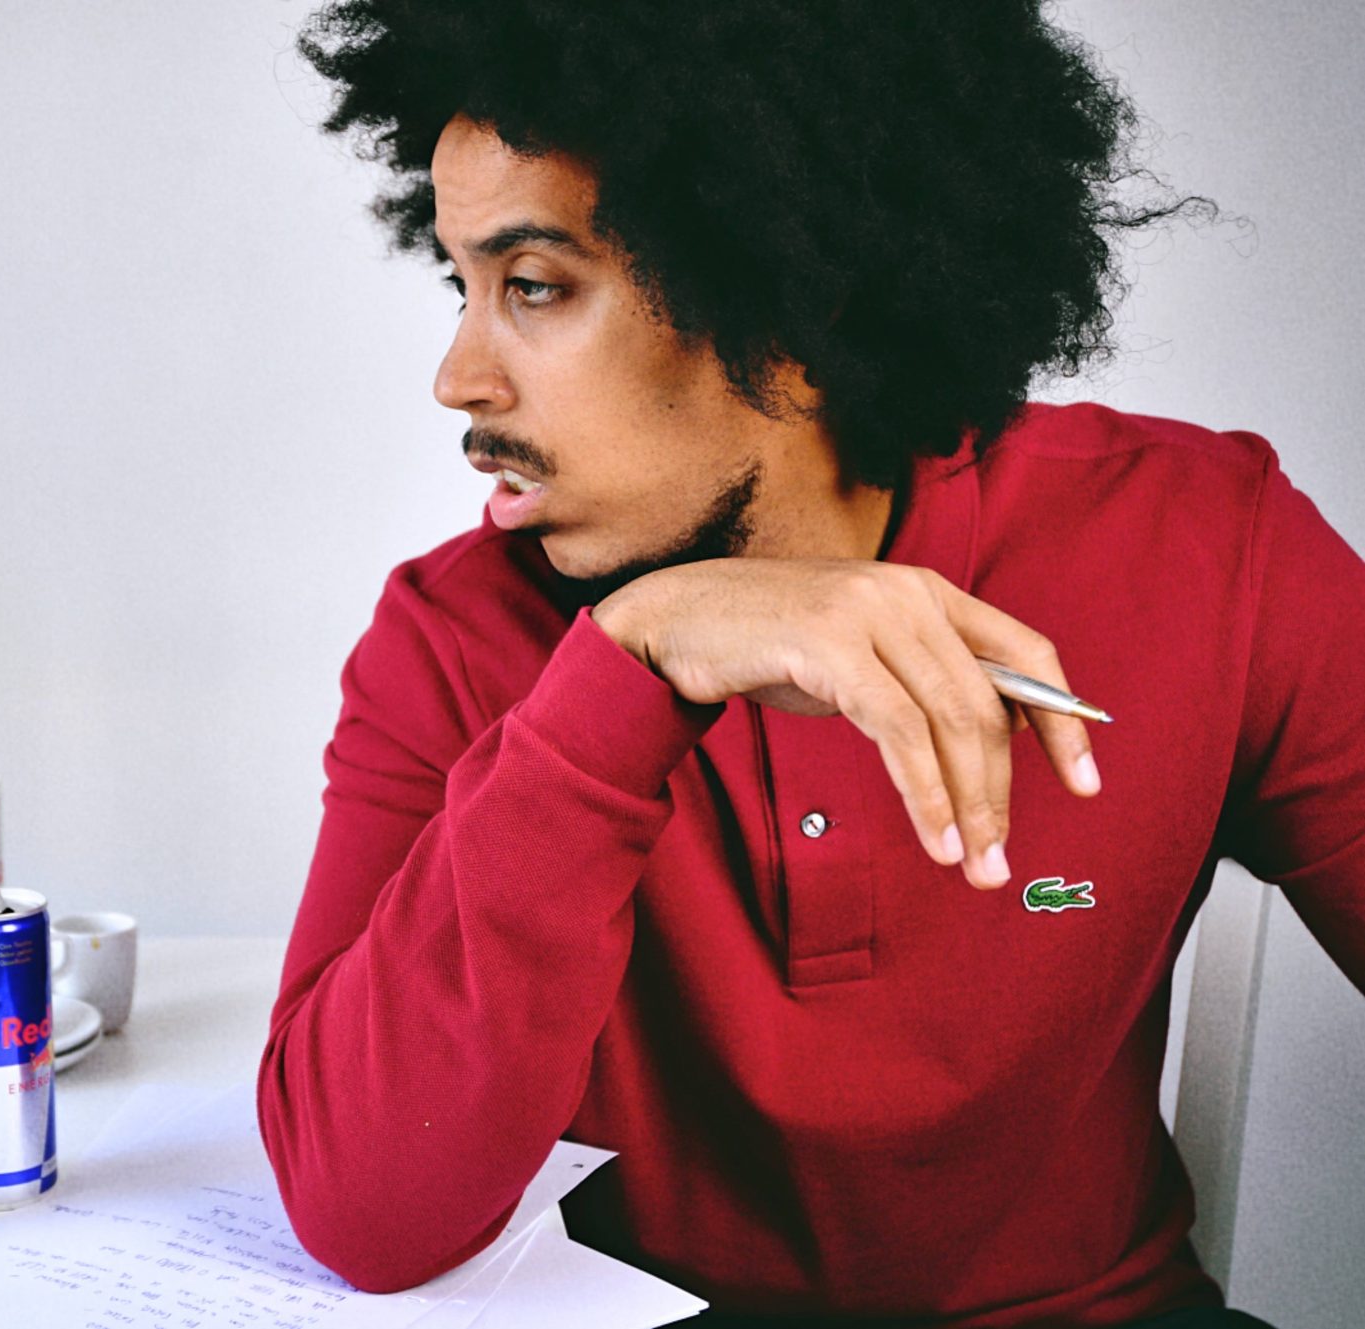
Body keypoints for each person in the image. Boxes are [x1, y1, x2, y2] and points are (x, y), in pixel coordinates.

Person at [256, 3, 1362, 1324]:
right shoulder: (450, 636)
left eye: (535, 286)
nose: (457, 377)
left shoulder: (1206, 543)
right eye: (462, 288)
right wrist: (623, 671)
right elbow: (362, 1212)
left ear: (790, 296)